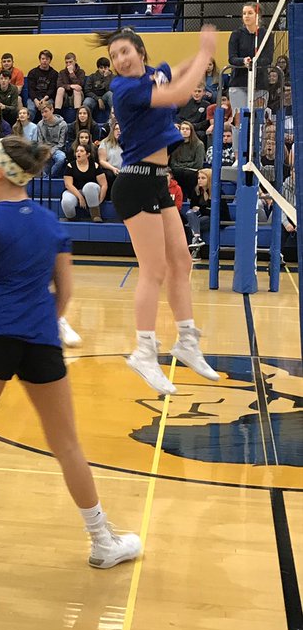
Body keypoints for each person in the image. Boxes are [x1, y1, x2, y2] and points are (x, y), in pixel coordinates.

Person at [0, 137, 141, 583]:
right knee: (67, 444)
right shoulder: (51, 222)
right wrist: (40, 318)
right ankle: (102, 541)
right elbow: (67, 292)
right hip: (40, 340)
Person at [104, 25, 220, 395]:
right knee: (153, 271)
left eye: (125, 51)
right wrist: (205, 54)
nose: (120, 60)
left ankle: (186, 340)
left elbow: (176, 71)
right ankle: (143, 351)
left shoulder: (153, 75)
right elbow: (182, 92)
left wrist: (195, 60)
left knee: (182, 263)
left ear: (140, 51)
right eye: (113, 57)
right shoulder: (126, 89)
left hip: (157, 179)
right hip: (135, 182)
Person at [228, 2, 274, 117]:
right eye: (244, 13)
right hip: (239, 83)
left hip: (259, 83)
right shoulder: (236, 34)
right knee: (239, 122)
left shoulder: (266, 34)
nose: (246, 16)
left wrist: (254, 62)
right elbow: (232, 58)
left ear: (258, 15)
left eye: (250, 13)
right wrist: (243, 61)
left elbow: (268, 58)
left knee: (258, 120)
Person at [61, 142, 107, 221]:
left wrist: (100, 200)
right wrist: (80, 197)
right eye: (77, 151)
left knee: (89, 186)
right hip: (75, 191)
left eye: (81, 151)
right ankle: (71, 218)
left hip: (92, 191)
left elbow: (104, 184)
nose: (78, 153)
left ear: (87, 154)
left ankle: (96, 215)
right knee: (66, 202)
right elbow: (68, 185)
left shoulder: (95, 165)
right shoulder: (70, 166)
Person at [37, 101, 68, 177]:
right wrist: (45, 152)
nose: (44, 114)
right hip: (44, 149)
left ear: (52, 110)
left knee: (61, 158)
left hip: (57, 149)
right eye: (42, 112)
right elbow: (40, 142)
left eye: (46, 111)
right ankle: (44, 178)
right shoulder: (40, 125)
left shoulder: (62, 124)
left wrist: (50, 152)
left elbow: (61, 144)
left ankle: (48, 178)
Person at [25, 50, 59, 119]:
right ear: (40, 60)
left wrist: (44, 99)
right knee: (30, 110)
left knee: (47, 110)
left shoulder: (54, 73)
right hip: (34, 98)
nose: (44, 61)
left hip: (48, 98)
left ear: (50, 60)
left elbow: (52, 89)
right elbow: (31, 89)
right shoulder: (32, 72)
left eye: (47, 59)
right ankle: (28, 128)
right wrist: (36, 100)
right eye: (43, 59)